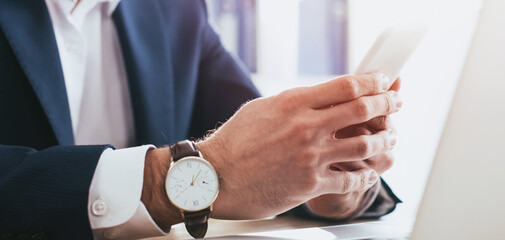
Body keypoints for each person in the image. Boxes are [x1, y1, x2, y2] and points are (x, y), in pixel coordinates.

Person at [0, 0, 402, 239]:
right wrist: (163, 183)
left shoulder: (174, 9)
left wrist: (329, 180)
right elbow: (227, 162)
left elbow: (261, 149)